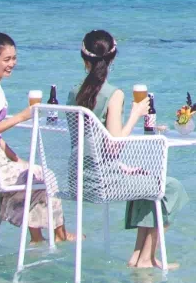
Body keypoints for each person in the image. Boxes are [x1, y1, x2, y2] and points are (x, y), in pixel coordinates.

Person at [73, 29, 187, 268]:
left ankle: (140, 256)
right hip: (102, 181)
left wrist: (121, 166)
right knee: (170, 187)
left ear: (85, 59)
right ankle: (146, 259)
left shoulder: (74, 93)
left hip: (78, 178)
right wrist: (135, 114)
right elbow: (114, 145)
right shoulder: (113, 94)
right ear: (112, 59)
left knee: (147, 179)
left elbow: (88, 143)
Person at [0, 29, 71, 245]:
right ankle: (59, 236)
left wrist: (15, 158)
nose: (11, 64)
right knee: (45, 176)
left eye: (14, 58)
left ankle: (38, 238)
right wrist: (21, 117)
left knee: (30, 169)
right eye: (6, 59)